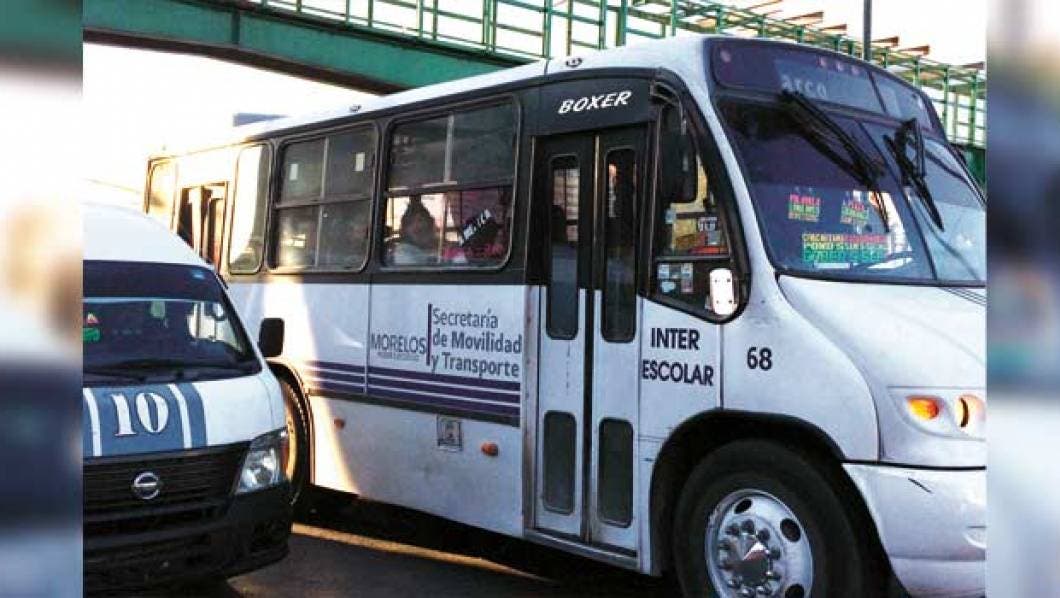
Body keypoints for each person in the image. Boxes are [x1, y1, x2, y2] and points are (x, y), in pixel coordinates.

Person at [390, 196, 439, 265]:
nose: (417, 226)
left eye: (420, 220)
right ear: (405, 229)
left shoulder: (431, 246)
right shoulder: (404, 252)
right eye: (411, 222)